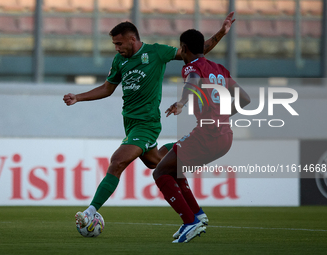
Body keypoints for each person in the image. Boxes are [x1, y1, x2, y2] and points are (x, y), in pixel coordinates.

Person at [63, 13, 236, 232]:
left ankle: (90, 212)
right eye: (114, 44)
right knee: (162, 165)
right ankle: (197, 213)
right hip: (131, 125)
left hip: (147, 124)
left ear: (132, 39)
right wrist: (78, 97)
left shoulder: (156, 52)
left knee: (117, 161)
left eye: (119, 43)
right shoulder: (119, 61)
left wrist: (221, 32)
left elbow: (194, 53)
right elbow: (107, 88)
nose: (116, 48)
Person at [153, 29, 251, 243]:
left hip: (208, 135)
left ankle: (191, 222)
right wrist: (222, 114)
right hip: (225, 136)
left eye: (180, 47)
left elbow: (193, 80)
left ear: (184, 48)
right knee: (174, 168)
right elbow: (245, 99)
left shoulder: (191, 67)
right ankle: (197, 214)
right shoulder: (220, 69)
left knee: (160, 172)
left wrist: (181, 102)